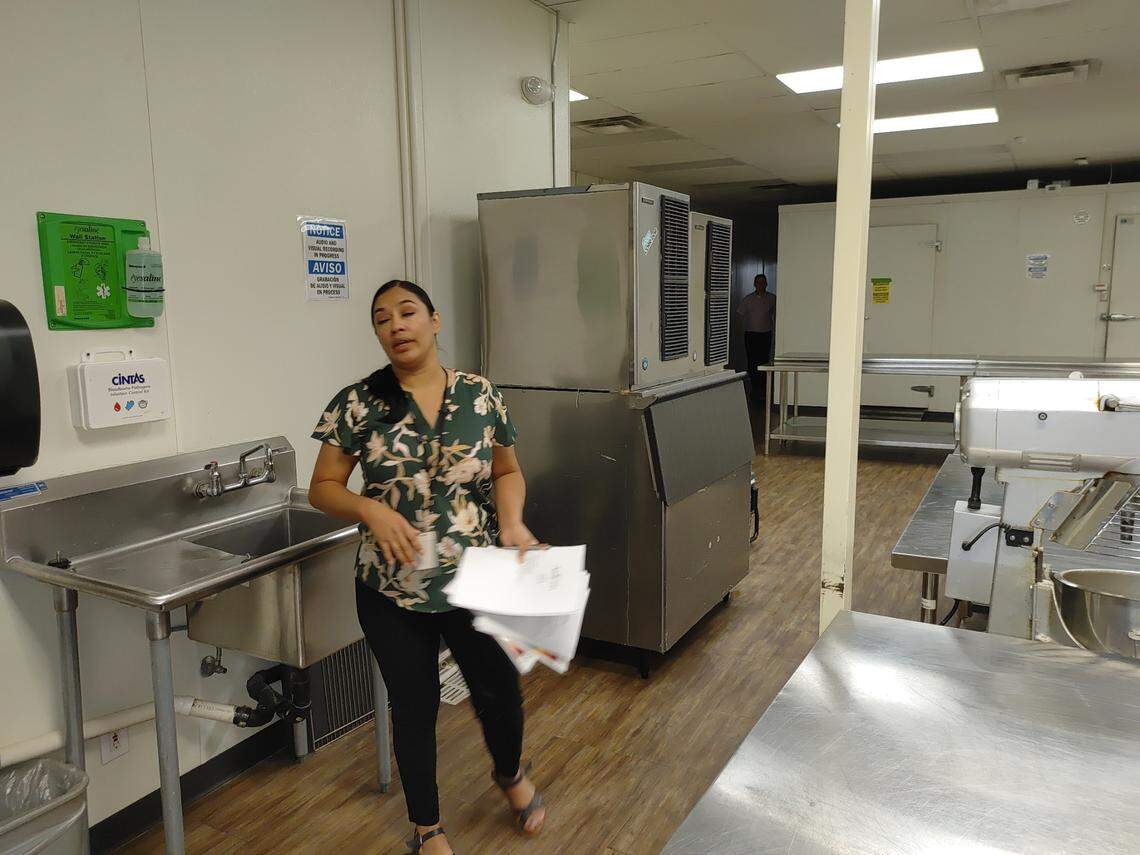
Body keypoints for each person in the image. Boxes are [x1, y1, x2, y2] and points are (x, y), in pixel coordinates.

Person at [308, 279, 547, 855]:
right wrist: (368, 508)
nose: (396, 325)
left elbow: (506, 471)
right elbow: (322, 488)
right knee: (413, 709)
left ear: (435, 321)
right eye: (382, 319)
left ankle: (510, 774)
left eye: (407, 312)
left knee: (499, 692)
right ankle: (426, 827)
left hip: (476, 578)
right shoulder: (358, 403)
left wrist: (512, 523)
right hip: (392, 589)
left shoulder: (480, 395)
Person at [737, 273, 776, 396]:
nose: (761, 285)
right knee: (752, 361)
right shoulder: (748, 299)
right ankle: (754, 387)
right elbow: (739, 315)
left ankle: (764, 387)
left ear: (766, 284)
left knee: (764, 360)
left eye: (763, 282)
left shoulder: (772, 298)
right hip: (751, 334)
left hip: (766, 334)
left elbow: (776, 314)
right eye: (758, 282)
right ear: (754, 284)